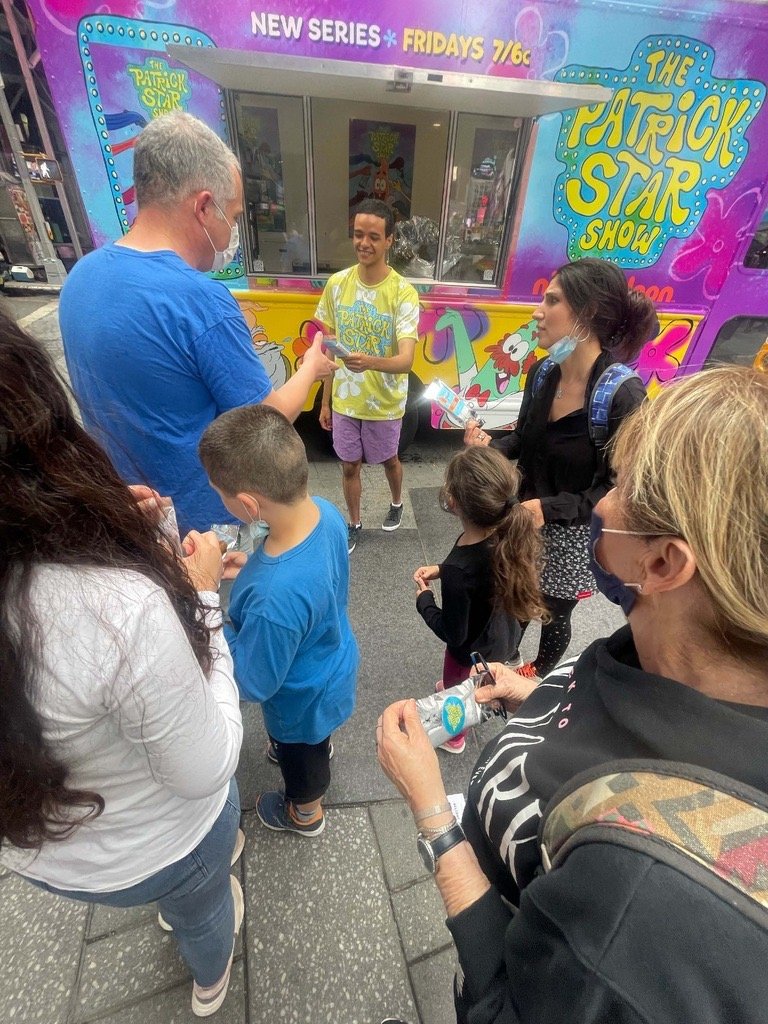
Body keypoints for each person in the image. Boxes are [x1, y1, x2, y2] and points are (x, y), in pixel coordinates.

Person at [378, 365, 768, 1023]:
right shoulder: (663, 654)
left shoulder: (634, 902)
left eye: (620, 488)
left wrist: (430, 813)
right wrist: (533, 696)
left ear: (665, 564)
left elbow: (507, 1005)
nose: (601, 504)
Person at [0, 314, 245, 1018]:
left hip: (54, 861)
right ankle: (211, 977)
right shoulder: (117, 611)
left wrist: (128, 534)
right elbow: (208, 763)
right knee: (201, 913)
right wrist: (201, 598)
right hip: (171, 840)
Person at [59, 109, 335, 535]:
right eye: (234, 216)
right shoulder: (202, 301)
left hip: (122, 513)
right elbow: (265, 420)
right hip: (202, 529)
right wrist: (313, 368)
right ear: (205, 207)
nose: (233, 233)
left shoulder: (81, 277)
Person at [465, 257, 657, 678]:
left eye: (551, 300)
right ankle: (506, 660)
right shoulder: (542, 372)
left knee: (553, 612)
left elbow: (619, 490)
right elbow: (525, 439)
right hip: (521, 520)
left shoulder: (623, 396)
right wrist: (489, 448)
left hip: (573, 536)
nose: (536, 311)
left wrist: (546, 510)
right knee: (513, 593)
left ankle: (539, 673)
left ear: (586, 315)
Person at [199, 404, 359, 837]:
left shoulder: (274, 598)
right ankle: (319, 747)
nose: (220, 498)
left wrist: (208, 602)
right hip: (330, 659)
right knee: (314, 741)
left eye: (219, 492)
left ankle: (305, 813)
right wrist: (251, 563)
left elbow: (254, 681)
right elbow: (298, 571)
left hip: (298, 699)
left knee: (302, 763)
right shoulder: (324, 511)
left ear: (249, 504)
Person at [413, 446, 545, 753]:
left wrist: (425, 600)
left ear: (453, 503)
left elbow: (453, 633)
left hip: (468, 654)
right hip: (501, 638)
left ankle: (454, 736)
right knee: (477, 682)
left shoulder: (461, 570)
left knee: (461, 691)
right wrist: (443, 570)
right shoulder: (507, 534)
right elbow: (475, 571)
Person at [315, 197, 420, 553]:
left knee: (390, 459)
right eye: (359, 234)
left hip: (385, 401)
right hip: (346, 398)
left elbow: (406, 360)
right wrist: (325, 401)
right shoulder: (337, 285)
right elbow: (329, 346)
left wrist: (370, 362)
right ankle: (354, 523)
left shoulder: (403, 292)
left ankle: (395, 503)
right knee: (349, 467)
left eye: (374, 236)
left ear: (389, 240)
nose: (364, 243)